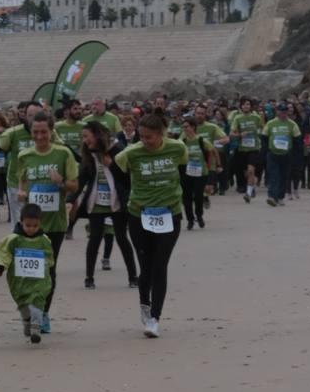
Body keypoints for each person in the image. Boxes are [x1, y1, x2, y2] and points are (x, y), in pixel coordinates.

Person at [115, 112, 187, 338]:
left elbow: (183, 169)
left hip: (170, 213)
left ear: (161, 134)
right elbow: (119, 173)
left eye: (150, 137)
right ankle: (145, 307)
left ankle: (155, 318)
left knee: (160, 265)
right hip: (139, 215)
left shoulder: (177, 148)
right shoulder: (131, 153)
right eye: (142, 136)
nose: (145, 141)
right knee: (145, 266)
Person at [9, 112, 77, 334]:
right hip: (30, 223)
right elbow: (22, 180)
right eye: (35, 132)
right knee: (27, 269)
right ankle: (30, 311)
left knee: (48, 269)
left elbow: (74, 186)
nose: (39, 137)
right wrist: (21, 192)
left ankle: (43, 313)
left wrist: (61, 183)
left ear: (51, 132)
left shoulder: (63, 153)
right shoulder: (24, 155)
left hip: (54, 223)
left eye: (44, 132)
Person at [71, 122, 137, 289]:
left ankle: (133, 276)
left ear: (97, 134)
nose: (84, 140)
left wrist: (111, 165)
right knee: (94, 238)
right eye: (83, 137)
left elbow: (128, 179)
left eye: (87, 136)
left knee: (122, 238)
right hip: (96, 202)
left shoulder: (119, 150)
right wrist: (69, 201)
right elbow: (81, 180)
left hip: (117, 202)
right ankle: (89, 277)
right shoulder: (88, 154)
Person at [0, 203, 55, 344]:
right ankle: (27, 321)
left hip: (39, 280)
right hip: (19, 280)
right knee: (23, 304)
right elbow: (3, 254)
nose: (31, 229)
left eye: (35, 226)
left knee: (38, 301)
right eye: (28, 225)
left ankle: (36, 328)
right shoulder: (13, 239)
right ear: (21, 222)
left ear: (40, 224)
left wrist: (47, 266)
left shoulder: (44, 240)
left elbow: (49, 257)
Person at [262, 103, 302, 207]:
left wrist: (296, 154)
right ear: (277, 112)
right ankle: (272, 196)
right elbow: (264, 137)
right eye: (281, 111)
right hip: (273, 153)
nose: (283, 113)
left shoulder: (292, 124)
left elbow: (297, 139)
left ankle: (280, 197)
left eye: (285, 111)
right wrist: (267, 149)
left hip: (287, 154)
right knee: (274, 175)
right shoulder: (270, 123)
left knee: (284, 176)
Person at [177, 115, 213, 228]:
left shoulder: (202, 140)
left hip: (201, 173)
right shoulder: (181, 142)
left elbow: (211, 153)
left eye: (187, 126)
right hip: (186, 173)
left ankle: (199, 215)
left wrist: (214, 168)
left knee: (198, 196)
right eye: (183, 127)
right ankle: (190, 220)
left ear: (193, 127)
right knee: (186, 198)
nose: (185, 129)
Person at [228, 99, 264, 202]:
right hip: (242, 149)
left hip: (254, 148)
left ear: (251, 106)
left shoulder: (256, 117)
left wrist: (259, 133)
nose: (246, 106)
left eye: (248, 104)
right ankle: (251, 187)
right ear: (241, 107)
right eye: (243, 104)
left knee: (251, 170)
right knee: (246, 173)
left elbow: (264, 129)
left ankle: (248, 193)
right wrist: (240, 135)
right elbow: (231, 134)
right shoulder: (238, 118)